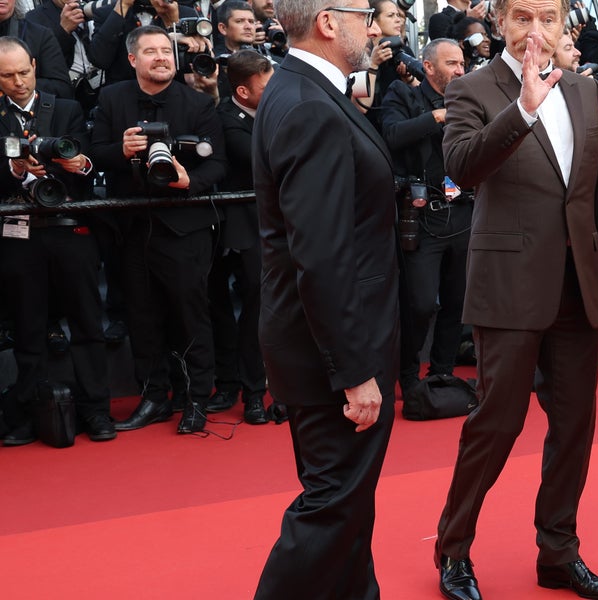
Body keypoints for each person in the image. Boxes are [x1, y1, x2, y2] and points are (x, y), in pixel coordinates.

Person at [432, 0, 598, 597]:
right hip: (509, 285)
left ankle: (558, 552)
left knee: (574, 427)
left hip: (580, 283)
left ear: (564, 25)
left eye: (547, 17)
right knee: (496, 424)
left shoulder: (582, 90)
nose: (535, 30)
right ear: (500, 22)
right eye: (522, 16)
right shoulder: (472, 88)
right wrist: (523, 108)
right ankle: (453, 550)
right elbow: (462, 167)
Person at [250, 1, 399, 597]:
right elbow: (322, 255)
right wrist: (354, 370)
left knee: (345, 502)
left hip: (322, 340)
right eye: (365, 13)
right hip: (332, 351)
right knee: (333, 503)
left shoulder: (301, 91)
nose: (376, 25)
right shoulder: (310, 106)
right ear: (327, 22)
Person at [92, 25, 227, 436]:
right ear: (132, 59)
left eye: (165, 51)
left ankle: (196, 398)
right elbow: (92, 151)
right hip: (131, 227)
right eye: (150, 52)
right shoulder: (112, 97)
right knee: (142, 316)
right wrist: (121, 151)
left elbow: (218, 164)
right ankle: (154, 396)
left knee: (190, 315)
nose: (161, 57)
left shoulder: (198, 104)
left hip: (185, 228)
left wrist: (191, 183)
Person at [0, 36, 110, 446]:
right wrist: (14, 171)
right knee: (29, 330)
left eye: (24, 71)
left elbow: (82, 158)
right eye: (8, 76)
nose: (19, 82)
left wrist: (75, 164)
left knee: (86, 323)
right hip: (18, 235)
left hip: (69, 229)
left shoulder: (64, 107)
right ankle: (30, 413)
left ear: (34, 63)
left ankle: (96, 411)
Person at [380, 38, 471, 397]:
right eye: (452, 63)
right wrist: (436, 116)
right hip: (422, 214)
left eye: (462, 63)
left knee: (456, 301)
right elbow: (390, 135)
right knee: (419, 303)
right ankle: (406, 372)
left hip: (464, 209)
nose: (460, 70)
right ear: (428, 67)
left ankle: (443, 372)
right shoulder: (402, 95)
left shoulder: (468, 99)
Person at [210, 49, 273, 425]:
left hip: (268, 224)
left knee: (258, 306)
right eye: (267, 86)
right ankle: (237, 387)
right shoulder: (225, 120)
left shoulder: (276, 111)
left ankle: (256, 390)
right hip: (233, 227)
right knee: (233, 306)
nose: (276, 90)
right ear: (243, 93)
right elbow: (259, 159)